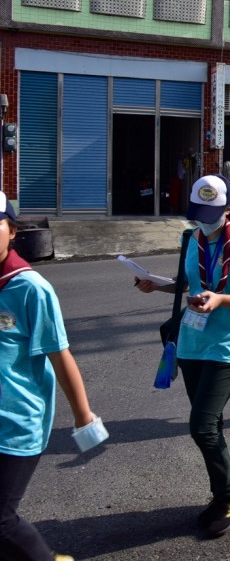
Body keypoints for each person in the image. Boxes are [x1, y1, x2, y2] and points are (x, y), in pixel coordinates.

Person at [135, 174, 230, 537]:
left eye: (211, 211)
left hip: (226, 347)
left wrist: (221, 298)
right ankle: (221, 494)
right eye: (198, 211)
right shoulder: (188, 239)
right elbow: (189, 286)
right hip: (192, 345)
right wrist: (154, 283)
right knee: (212, 424)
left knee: (201, 426)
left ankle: (229, 495)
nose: (203, 218)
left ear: (228, 207)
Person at [0, 191, 99, 561]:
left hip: (16, 423)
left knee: (2, 521)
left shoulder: (31, 288)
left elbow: (60, 356)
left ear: (12, 231)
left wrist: (83, 417)